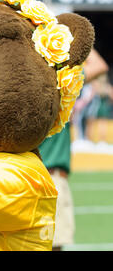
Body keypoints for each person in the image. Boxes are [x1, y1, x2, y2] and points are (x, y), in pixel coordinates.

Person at [38, 48, 109, 251]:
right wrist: (67, 36)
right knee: (55, 244)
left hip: (22, 176)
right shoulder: (61, 84)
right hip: (51, 178)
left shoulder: (22, 86)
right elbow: (99, 65)